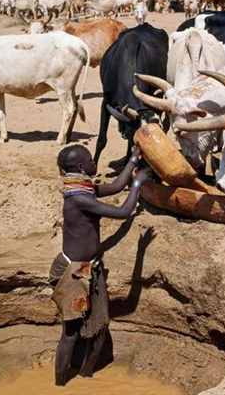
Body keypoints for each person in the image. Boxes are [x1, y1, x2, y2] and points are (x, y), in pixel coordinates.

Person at [48, 143, 151, 386]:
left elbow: (115, 186)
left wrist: (133, 161)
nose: (96, 162)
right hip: (75, 273)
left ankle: (84, 377)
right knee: (71, 333)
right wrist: (138, 183)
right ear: (83, 167)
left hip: (90, 268)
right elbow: (124, 211)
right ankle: (60, 384)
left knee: (101, 326)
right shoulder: (79, 198)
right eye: (92, 160)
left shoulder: (82, 188)